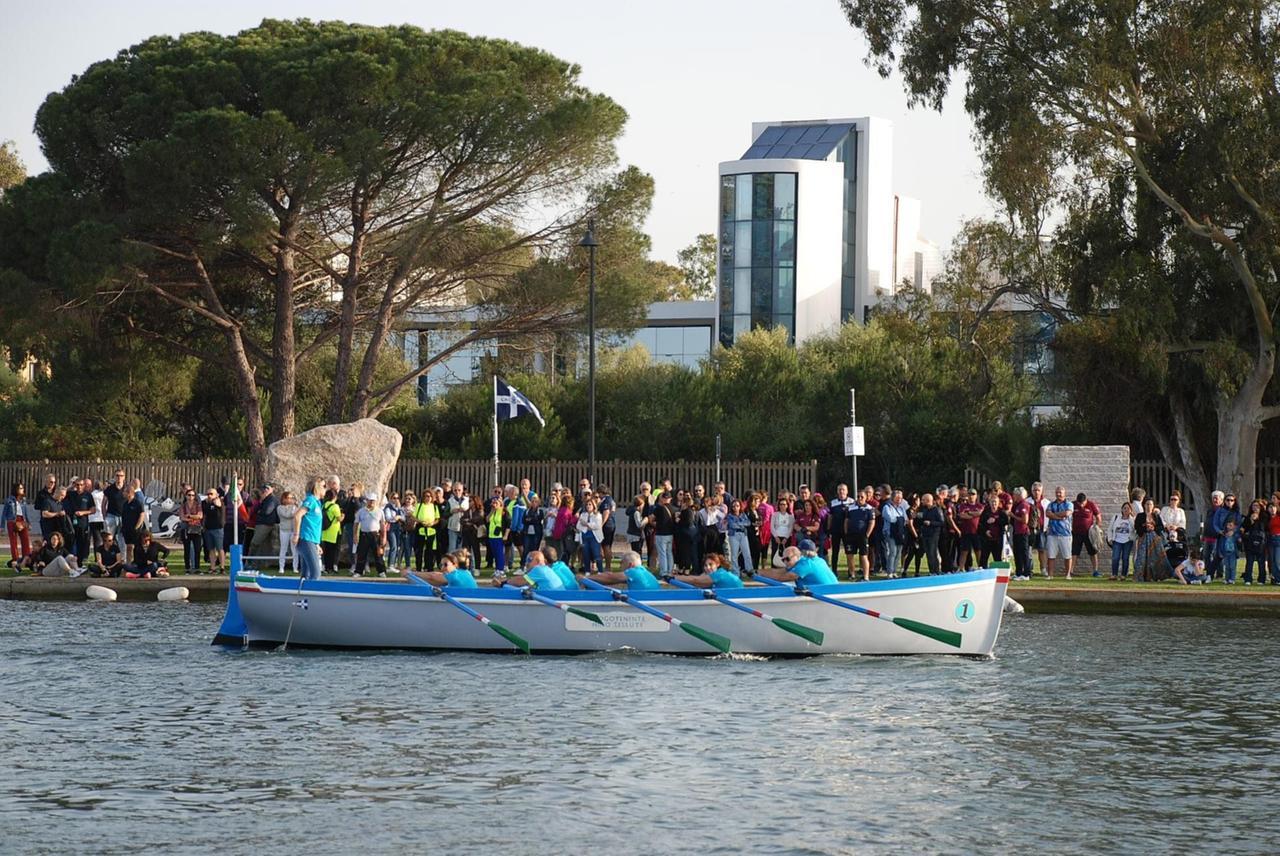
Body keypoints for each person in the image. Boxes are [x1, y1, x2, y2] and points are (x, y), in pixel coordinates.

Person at [758, 541, 838, 586]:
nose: (785, 562)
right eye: (783, 560)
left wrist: (758, 576)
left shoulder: (806, 564)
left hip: (829, 597)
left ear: (798, 555)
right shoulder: (819, 560)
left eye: (787, 559)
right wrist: (758, 572)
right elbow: (779, 571)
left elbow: (781, 578)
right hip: (834, 591)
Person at [292, 478, 325, 581]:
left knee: (305, 574)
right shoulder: (310, 500)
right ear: (317, 487)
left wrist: (316, 544)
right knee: (315, 573)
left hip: (311, 540)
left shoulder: (317, 503)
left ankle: (302, 590)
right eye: (324, 486)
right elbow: (297, 516)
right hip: (306, 539)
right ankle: (312, 591)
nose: (325, 489)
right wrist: (296, 535)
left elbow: (313, 524)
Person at [582, 549, 662, 590]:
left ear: (630, 565)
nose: (620, 566)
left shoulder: (633, 572)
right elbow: (611, 579)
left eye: (622, 563)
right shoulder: (648, 573)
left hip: (644, 603)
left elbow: (609, 577)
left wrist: (585, 578)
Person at [353, 491, 388, 577]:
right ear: (367, 501)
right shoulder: (361, 511)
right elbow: (356, 524)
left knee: (378, 554)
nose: (371, 502)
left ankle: (381, 571)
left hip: (375, 535)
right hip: (364, 534)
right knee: (361, 554)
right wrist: (355, 535)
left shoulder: (380, 511)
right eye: (370, 500)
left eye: (373, 500)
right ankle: (358, 571)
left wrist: (384, 537)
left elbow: (383, 525)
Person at [1070, 492, 1102, 577]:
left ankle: (1095, 571)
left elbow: (1098, 517)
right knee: (1074, 552)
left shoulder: (1091, 505)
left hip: (1089, 533)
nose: (1081, 505)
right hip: (1076, 533)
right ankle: (1071, 570)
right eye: (1079, 503)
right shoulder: (1072, 504)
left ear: (1086, 500)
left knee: (1093, 551)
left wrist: (1096, 529)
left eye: (1082, 503)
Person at [248, 483, 279, 570]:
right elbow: (256, 510)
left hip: (265, 524)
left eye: (268, 488)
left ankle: (252, 563)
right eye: (264, 488)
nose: (265, 489)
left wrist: (259, 512)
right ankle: (256, 564)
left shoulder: (272, 499)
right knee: (259, 545)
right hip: (262, 523)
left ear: (272, 489)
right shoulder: (265, 499)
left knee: (255, 543)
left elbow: (267, 511)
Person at [670, 553, 744, 589]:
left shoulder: (719, 574)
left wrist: (673, 577)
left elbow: (695, 580)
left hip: (738, 598)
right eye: (705, 565)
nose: (707, 568)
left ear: (717, 564)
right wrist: (676, 582)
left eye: (710, 564)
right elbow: (696, 584)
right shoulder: (718, 574)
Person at [1045, 486, 1074, 578]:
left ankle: (1068, 574)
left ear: (1064, 493)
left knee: (1067, 555)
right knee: (1051, 555)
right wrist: (1059, 517)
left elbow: (1067, 513)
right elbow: (1047, 514)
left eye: (1060, 492)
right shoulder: (1051, 504)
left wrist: (1053, 515)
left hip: (1065, 534)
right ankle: (1050, 575)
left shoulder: (1069, 504)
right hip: (1052, 533)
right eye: (1057, 492)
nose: (1058, 494)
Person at [954, 488, 984, 573]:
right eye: (970, 494)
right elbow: (962, 515)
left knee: (978, 550)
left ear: (976, 496)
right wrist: (974, 515)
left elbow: (980, 513)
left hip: (976, 532)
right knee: (964, 551)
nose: (971, 496)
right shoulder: (963, 506)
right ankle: (961, 568)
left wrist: (969, 513)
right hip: (966, 532)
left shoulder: (979, 506)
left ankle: (980, 566)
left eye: (973, 494)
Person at [3, 482, 32, 569]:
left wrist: (28, 523)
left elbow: (25, 513)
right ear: (16, 489)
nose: (23, 489)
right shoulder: (9, 500)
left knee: (25, 540)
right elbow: (4, 514)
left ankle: (26, 559)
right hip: (12, 521)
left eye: (22, 488)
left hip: (22, 521)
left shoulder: (23, 500)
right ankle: (15, 559)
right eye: (21, 488)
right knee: (13, 541)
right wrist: (1, 526)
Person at [1240, 500, 1268, 585]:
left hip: (1261, 542)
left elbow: (1265, 528)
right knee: (1249, 561)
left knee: (1261, 562)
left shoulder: (1264, 517)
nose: (1255, 508)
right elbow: (1244, 529)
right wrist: (1251, 521)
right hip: (1250, 542)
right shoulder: (1248, 517)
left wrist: (1257, 520)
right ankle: (1248, 579)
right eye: (1254, 506)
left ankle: (1261, 579)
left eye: (1257, 506)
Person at [576, 496, 606, 574]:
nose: (588, 506)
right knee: (586, 554)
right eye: (587, 504)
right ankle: (587, 571)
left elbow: (597, 526)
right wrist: (588, 527)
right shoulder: (583, 515)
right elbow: (578, 526)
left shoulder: (597, 515)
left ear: (593, 505)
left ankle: (600, 571)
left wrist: (586, 524)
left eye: (590, 504)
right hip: (585, 537)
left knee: (596, 554)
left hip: (594, 537)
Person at [978, 489, 1006, 569]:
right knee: (983, 558)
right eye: (992, 502)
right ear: (989, 503)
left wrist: (995, 520)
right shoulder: (986, 512)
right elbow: (980, 524)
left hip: (997, 539)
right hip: (987, 539)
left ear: (998, 503)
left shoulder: (1001, 512)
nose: (994, 504)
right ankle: (982, 571)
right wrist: (985, 531)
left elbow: (1006, 522)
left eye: (995, 502)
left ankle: (998, 572)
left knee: (997, 558)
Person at [1106, 502, 1136, 580]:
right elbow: (1110, 529)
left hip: (1128, 541)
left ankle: (1123, 575)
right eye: (1124, 508)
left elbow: (1135, 530)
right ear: (1122, 509)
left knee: (1125, 558)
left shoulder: (1132, 519)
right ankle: (1114, 574)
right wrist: (1110, 538)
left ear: (1131, 510)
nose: (1126, 510)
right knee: (1115, 557)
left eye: (1128, 508)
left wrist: (1132, 519)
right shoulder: (1116, 517)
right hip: (1117, 540)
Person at [651, 491, 677, 576]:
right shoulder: (674, 509)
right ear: (670, 499)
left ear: (662, 498)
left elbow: (651, 519)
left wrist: (655, 524)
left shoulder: (659, 508)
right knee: (669, 552)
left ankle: (663, 572)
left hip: (661, 533)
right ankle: (670, 571)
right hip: (670, 533)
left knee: (662, 553)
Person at [1008, 488, 1032, 580]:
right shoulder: (1017, 505)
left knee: (1024, 553)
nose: (1013, 496)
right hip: (1017, 531)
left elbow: (1025, 520)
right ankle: (1018, 573)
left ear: (1019, 495)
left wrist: (1013, 516)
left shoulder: (1023, 505)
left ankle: (1026, 573)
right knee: (1017, 552)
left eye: (1015, 494)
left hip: (1023, 532)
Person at [201, 487, 226, 573]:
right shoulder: (205, 503)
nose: (209, 495)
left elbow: (219, 505)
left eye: (211, 494)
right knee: (211, 549)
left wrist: (216, 501)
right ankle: (213, 567)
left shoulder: (219, 501)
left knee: (220, 548)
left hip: (218, 528)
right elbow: (204, 514)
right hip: (208, 528)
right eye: (208, 494)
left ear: (216, 495)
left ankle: (222, 567)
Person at [179, 488, 204, 572]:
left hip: (196, 528)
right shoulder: (183, 505)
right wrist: (194, 517)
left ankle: (197, 567)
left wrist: (189, 516)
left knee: (197, 549)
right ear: (186, 496)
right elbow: (182, 517)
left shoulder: (198, 505)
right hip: (186, 529)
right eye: (189, 495)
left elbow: (200, 516)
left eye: (193, 495)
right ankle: (187, 567)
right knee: (187, 549)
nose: (191, 497)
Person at [486, 496, 510, 573]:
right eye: (493, 503)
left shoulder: (503, 512)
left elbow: (508, 525)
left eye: (496, 503)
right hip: (491, 535)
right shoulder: (493, 511)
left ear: (500, 503)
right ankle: (497, 569)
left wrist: (506, 535)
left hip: (499, 536)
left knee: (499, 554)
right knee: (495, 554)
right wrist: (492, 511)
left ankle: (501, 570)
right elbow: (487, 520)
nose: (494, 504)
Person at [276, 490, 298, 573]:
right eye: (288, 498)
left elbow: (296, 516)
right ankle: (281, 567)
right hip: (284, 530)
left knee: (294, 550)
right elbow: (287, 515)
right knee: (283, 549)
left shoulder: (295, 507)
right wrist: (293, 508)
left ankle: (295, 567)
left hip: (293, 530)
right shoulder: (279, 508)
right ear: (284, 499)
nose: (290, 499)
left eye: (291, 498)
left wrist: (294, 508)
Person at [103, 469, 126, 541]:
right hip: (111, 515)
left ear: (124, 477)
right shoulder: (109, 489)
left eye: (121, 476)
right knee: (109, 538)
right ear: (114, 477)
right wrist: (104, 516)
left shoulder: (127, 488)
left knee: (122, 539)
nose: (119, 477)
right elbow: (103, 503)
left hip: (124, 517)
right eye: (117, 475)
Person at [1218, 518, 1241, 584]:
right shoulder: (1224, 535)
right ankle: (1227, 579)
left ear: (1234, 526)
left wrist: (1238, 538)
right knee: (1227, 566)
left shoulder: (1235, 534)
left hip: (1233, 552)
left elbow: (1238, 539)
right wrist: (1220, 552)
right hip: (1225, 552)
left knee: (1232, 566)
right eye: (1227, 525)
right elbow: (1221, 544)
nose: (1228, 527)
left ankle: (1232, 579)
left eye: (1230, 525)